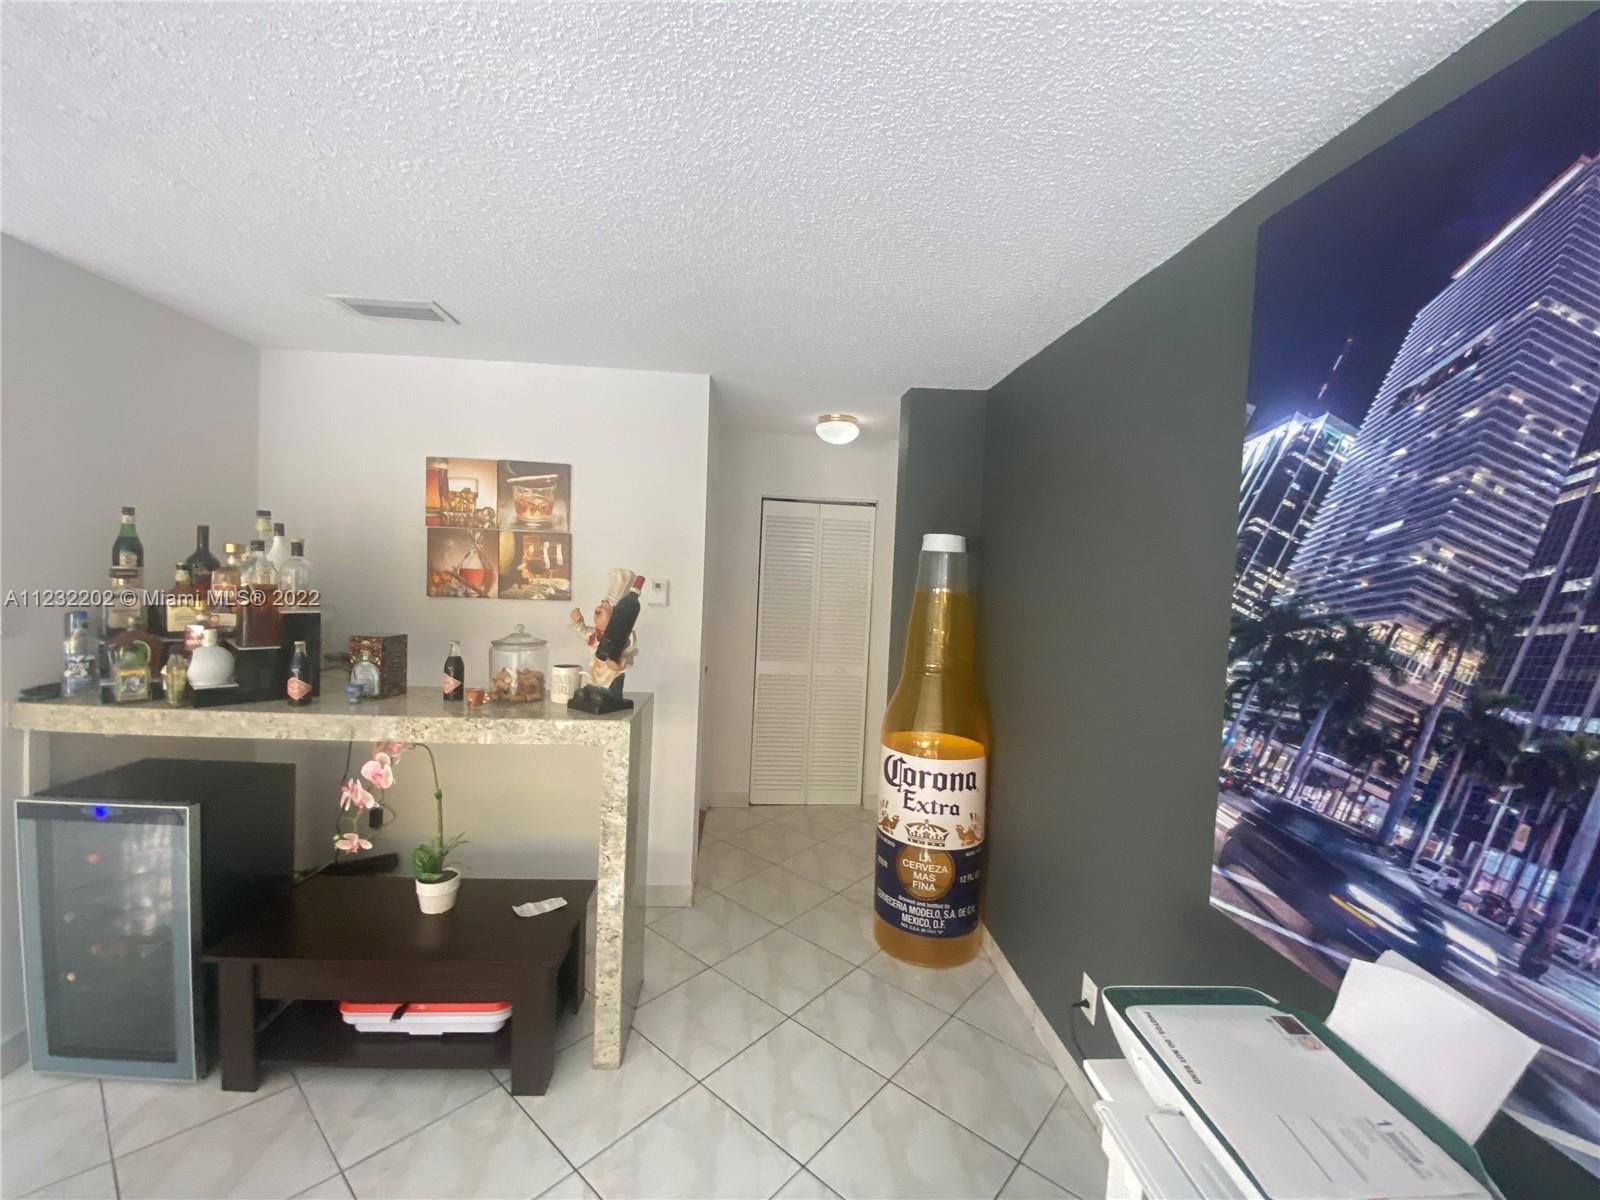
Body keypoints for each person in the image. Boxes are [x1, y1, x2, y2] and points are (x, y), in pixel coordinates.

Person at [569, 567, 637, 688]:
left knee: (612, 690)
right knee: (594, 689)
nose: (598, 607)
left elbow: (627, 655)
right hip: (595, 673)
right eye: (600, 604)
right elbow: (583, 632)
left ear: (616, 617)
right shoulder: (594, 633)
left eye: (605, 607)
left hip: (612, 676)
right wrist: (578, 622)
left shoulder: (622, 638)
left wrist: (618, 665)